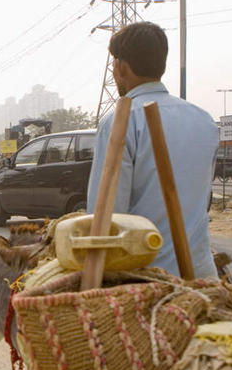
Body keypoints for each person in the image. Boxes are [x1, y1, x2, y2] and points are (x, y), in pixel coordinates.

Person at [86, 21, 218, 278]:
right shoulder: (205, 120)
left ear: (121, 68)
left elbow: (106, 219)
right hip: (202, 276)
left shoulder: (121, 120)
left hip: (146, 281)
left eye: (114, 65)